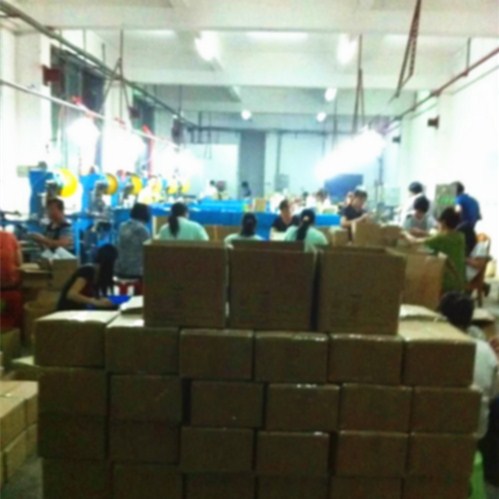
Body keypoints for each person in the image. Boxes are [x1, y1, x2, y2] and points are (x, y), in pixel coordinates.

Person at [439, 292, 499, 439]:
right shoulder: (485, 350)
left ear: (441, 317)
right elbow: (493, 393)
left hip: (434, 430)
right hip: (476, 433)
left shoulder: (432, 348)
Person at [57, 244, 117, 311]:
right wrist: (95, 302)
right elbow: (71, 294)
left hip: (80, 310)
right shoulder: (87, 271)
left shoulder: (99, 276)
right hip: (68, 311)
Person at [424, 207, 466, 293]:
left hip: (445, 283)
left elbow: (417, 242)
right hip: (460, 280)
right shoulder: (461, 237)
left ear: (443, 222)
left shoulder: (441, 238)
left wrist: (405, 234)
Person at [115, 203, 151, 279]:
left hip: (120, 269)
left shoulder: (122, 226)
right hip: (136, 271)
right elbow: (148, 251)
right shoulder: (142, 230)